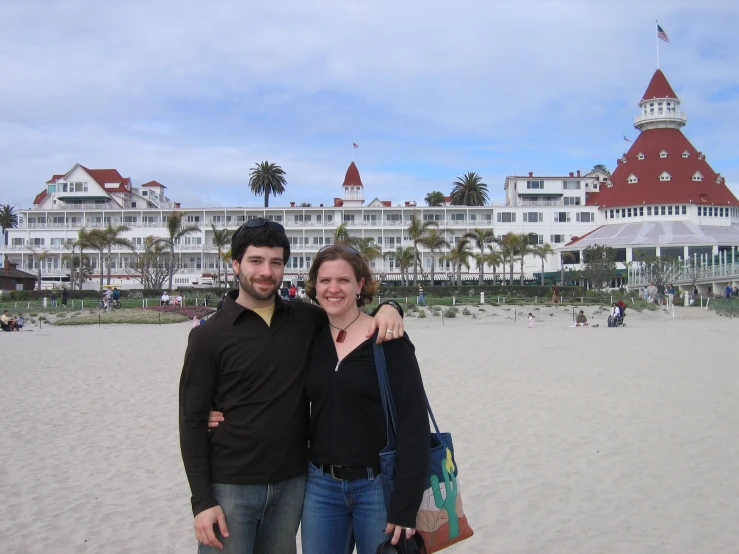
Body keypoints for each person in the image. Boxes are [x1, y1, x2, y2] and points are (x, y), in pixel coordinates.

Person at [179, 219, 404, 554]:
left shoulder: (305, 319)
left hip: (293, 485)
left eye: (276, 262)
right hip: (230, 487)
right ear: (236, 264)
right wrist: (201, 501)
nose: (266, 271)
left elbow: (350, 311)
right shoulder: (208, 336)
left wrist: (391, 307)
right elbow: (191, 422)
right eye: (255, 261)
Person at [298, 245, 430, 554]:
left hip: (378, 487)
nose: (333, 289)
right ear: (314, 286)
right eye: (324, 280)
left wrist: (405, 506)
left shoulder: (387, 339)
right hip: (320, 487)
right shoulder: (309, 336)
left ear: (360, 285)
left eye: (343, 280)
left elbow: (414, 422)